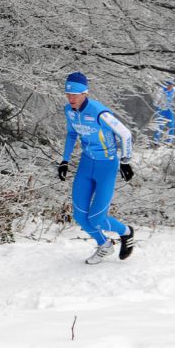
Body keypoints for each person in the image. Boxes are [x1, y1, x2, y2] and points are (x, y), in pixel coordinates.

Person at [56, 71, 135, 264]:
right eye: (68, 94)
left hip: (106, 166)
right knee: (80, 216)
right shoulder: (69, 110)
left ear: (85, 93)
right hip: (86, 164)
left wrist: (125, 161)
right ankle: (104, 245)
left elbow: (125, 134)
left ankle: (126, 232)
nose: (71, 98)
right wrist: (64, 160)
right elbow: (71, 135)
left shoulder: (100, 113)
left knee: (97, 219)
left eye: (74, 94)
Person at [152, 79, 175, 145]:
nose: (170, 88)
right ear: (166, 86)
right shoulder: (160, 90)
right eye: (169, 86)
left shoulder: (174, 89)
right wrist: (159, 102)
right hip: (160, 109)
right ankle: (156, 142)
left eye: (172, 86)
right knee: (160, 125)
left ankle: (168, 141)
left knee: (172, 123)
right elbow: (155, 103)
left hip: (168, 109)